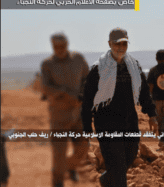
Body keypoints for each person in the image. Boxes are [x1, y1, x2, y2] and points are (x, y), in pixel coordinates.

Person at [81, 27, 157, 187]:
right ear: (109, 44)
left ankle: (106, 179)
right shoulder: (98, 69)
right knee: (118, 168)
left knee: (128, 159)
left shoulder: (133, 66)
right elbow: (87, 99)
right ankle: (111, 179)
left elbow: (144, 92)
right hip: (107, 125)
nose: (121, 47)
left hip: (129, 123)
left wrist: (152, 114)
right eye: (117, 44)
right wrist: (86, 127)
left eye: (124, 43)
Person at [41, 32, 90, 187]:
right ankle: (58, 181)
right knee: (59, 155)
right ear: (52, 47)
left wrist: (82, 96)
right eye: (56, 47)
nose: (59, 49)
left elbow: (87, 79)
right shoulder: (47, 64)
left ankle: (69, 167)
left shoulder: (78, 59)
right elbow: (45, 87)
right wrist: (63, 93)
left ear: (67, 44)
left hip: (78, 114)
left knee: (83, 147)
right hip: (59, 116)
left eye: (62, 46)